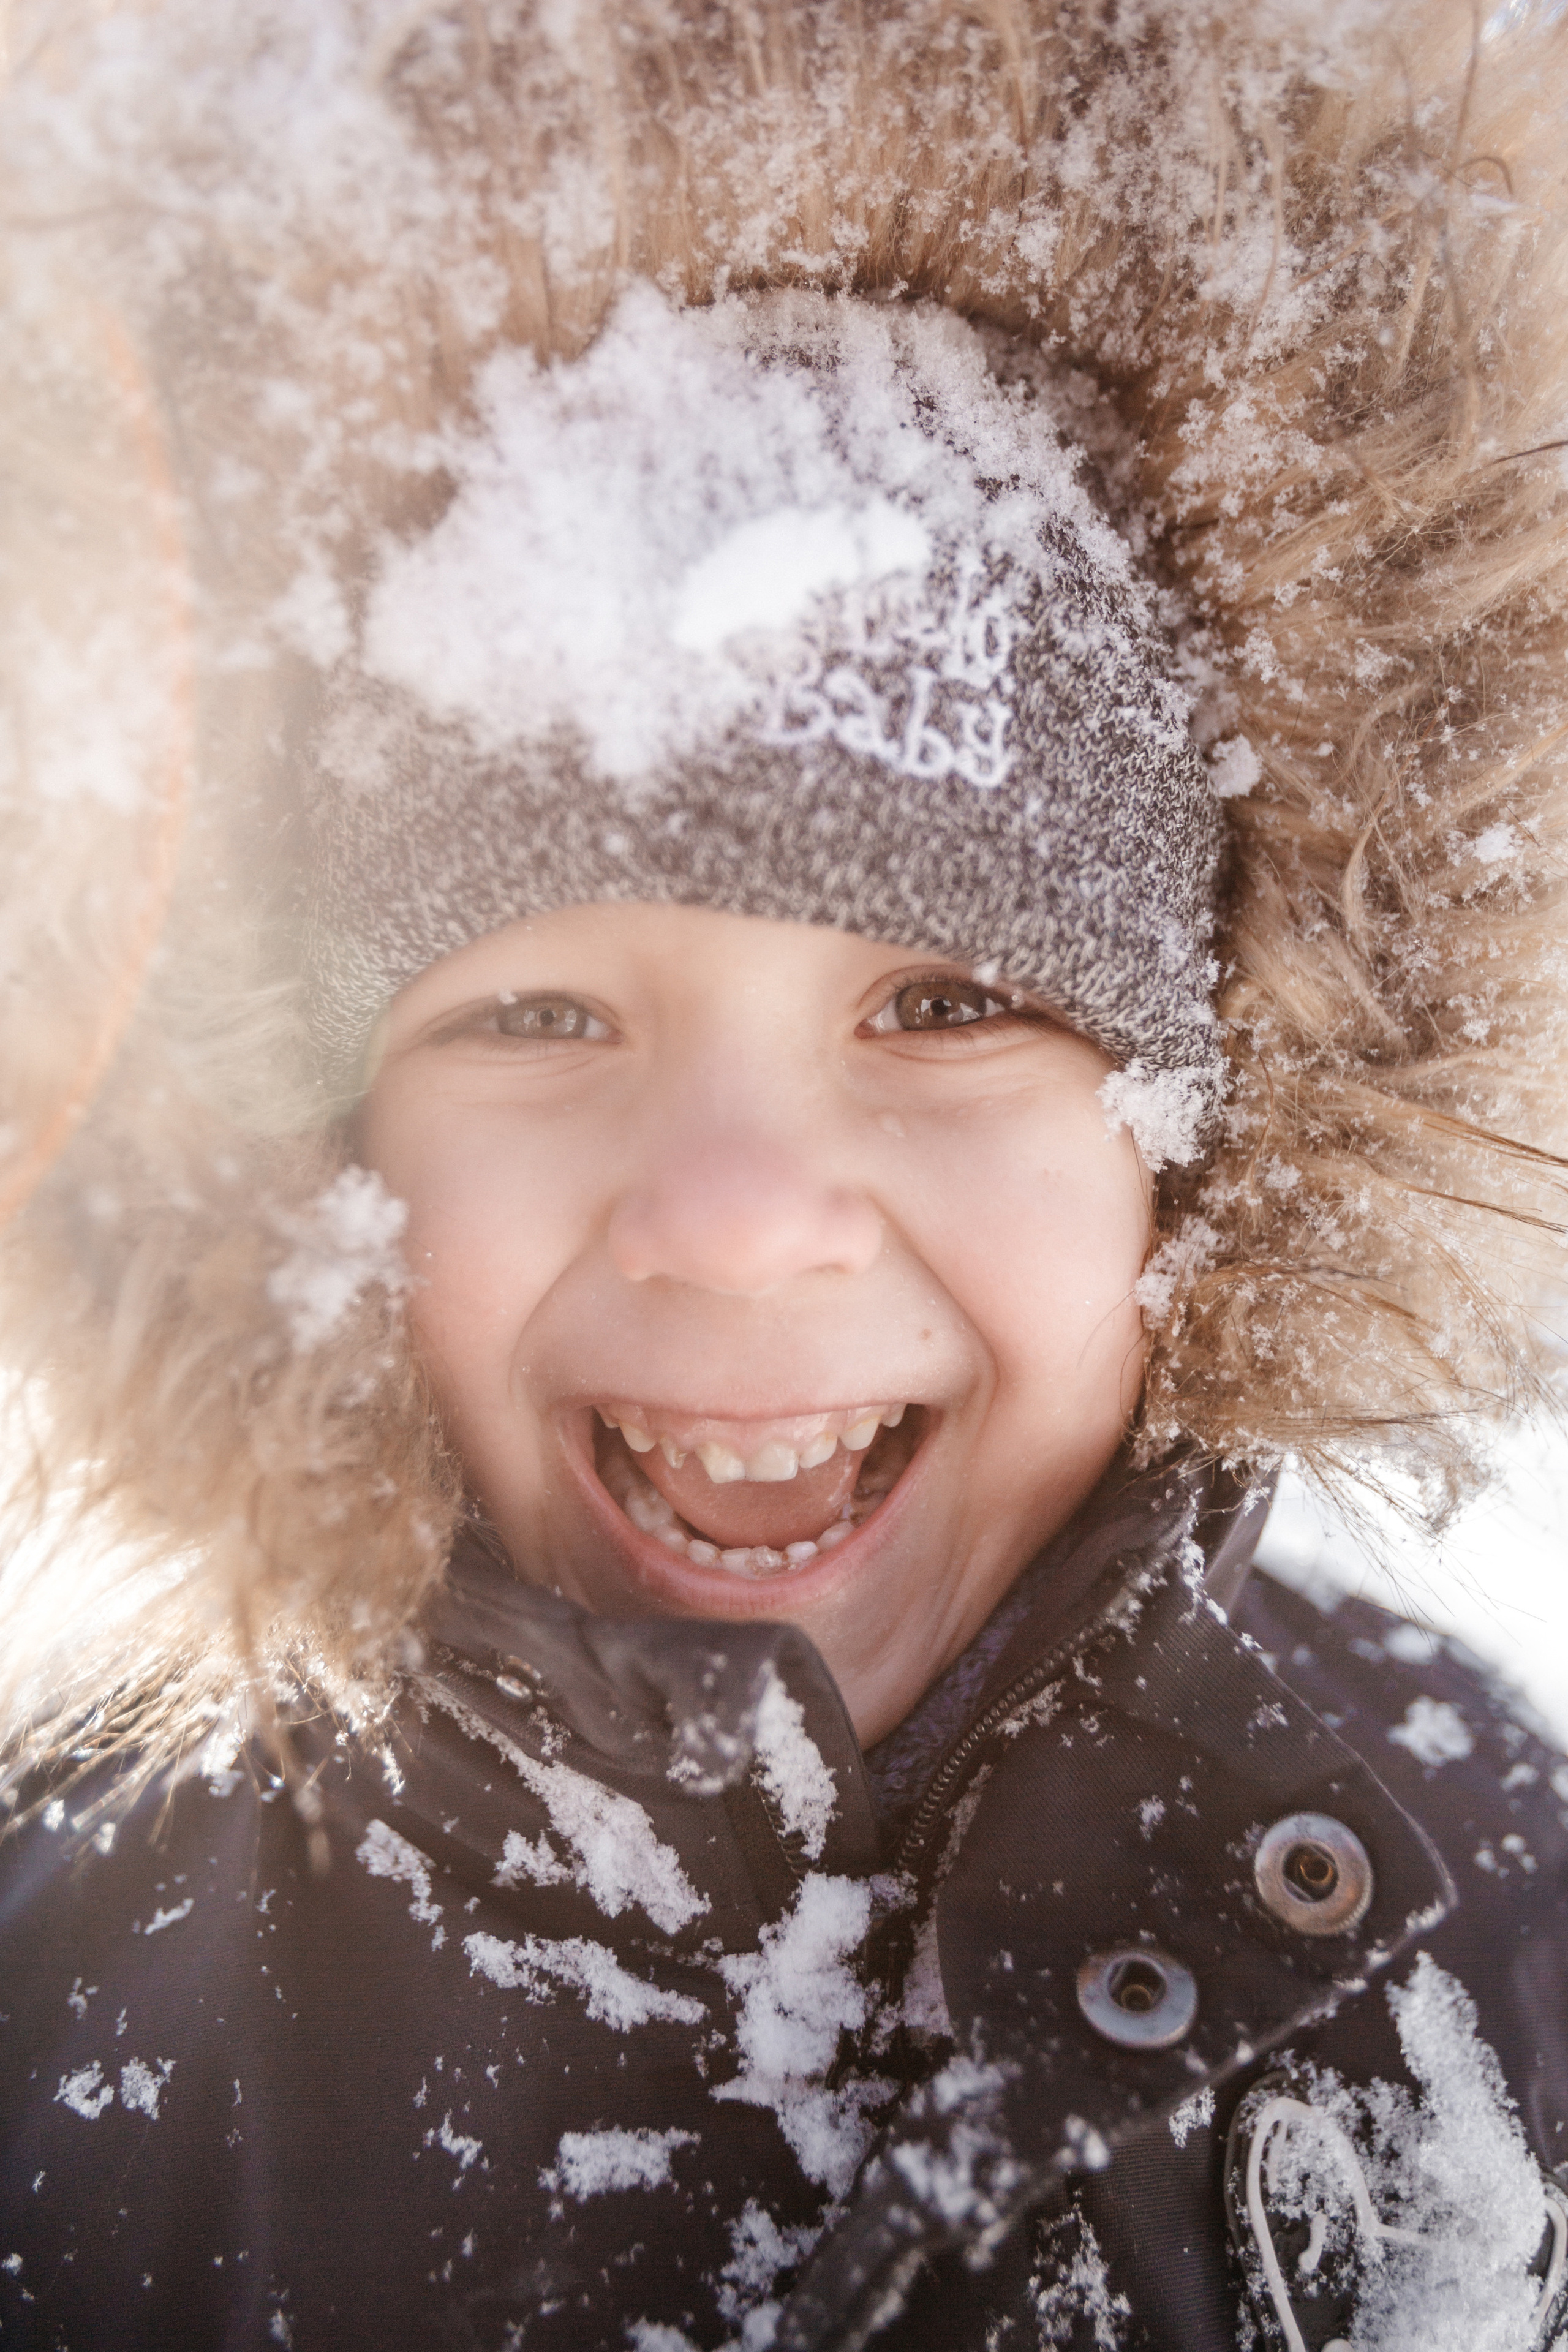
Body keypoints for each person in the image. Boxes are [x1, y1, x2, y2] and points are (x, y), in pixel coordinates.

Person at [2, 5, 1567, 2348]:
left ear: (1213, 1134)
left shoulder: (1488, 1913)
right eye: (536, 1017)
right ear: (299, 1168)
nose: (738, 1214)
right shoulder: (64, 2004)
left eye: (949, 1006)